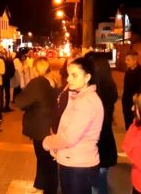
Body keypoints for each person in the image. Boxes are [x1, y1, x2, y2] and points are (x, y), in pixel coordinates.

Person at [43, 57, 104, 194]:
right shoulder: (80, 97)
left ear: (87, 77)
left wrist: (47, 142)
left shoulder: (86, 102)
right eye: (69, 74)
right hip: (74, 160)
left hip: (78, 166)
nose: (69, 79)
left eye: (74, 75)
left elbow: (68, 138)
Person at [15, 57, 59, 194]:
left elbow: (20, 102)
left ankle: (50, 189)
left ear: (35, 68)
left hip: (41, 129)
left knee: (46, 161)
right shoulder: (53, 80)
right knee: (47, 160)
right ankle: (42, 183)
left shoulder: (37, 82)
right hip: (50, 127)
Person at [85, 52, 118, 194]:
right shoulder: (110, 86)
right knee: (101, 180)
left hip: (96, 144)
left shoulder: (94, 92)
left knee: (96, 184)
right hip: (105, 141)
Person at [122, 51, 141, 130]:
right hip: (126, 102)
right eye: (125, 59)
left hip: (137, 102)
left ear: (135, 61)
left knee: (136, 125)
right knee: (128, 124)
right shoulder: (127, 72)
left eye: (128, 60)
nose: (125, 62)